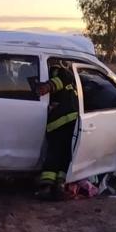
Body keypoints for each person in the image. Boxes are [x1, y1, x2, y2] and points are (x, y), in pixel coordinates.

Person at [35, 63, 80, 200]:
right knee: (64, 153)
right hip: (69, 120)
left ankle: (47, 187)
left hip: (60, 121)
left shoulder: (60, 72)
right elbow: (62, 81)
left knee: (54, 152)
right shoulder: (64, 74)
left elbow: (62, 79)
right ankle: (59, 185)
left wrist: (46, 87)